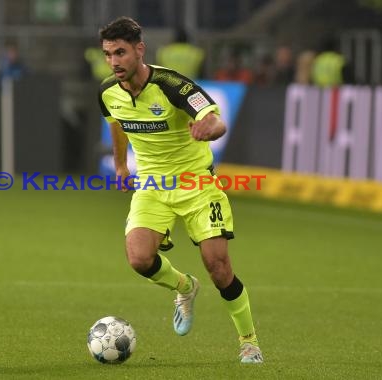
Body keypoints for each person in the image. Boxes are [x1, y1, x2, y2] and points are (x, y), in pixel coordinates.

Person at [97, 16, 263, 364]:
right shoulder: (108, 92)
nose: (114, 61)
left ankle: (249, 342)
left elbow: (216, 120)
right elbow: (117, 125)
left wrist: (209, 129)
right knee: (139, 259)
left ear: (139, 50)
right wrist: (121, 165)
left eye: (121, 52)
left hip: (197, 184)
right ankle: (184, 288)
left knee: (218, 267)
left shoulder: (172, 84)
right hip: (153, 186)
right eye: (109, 54)